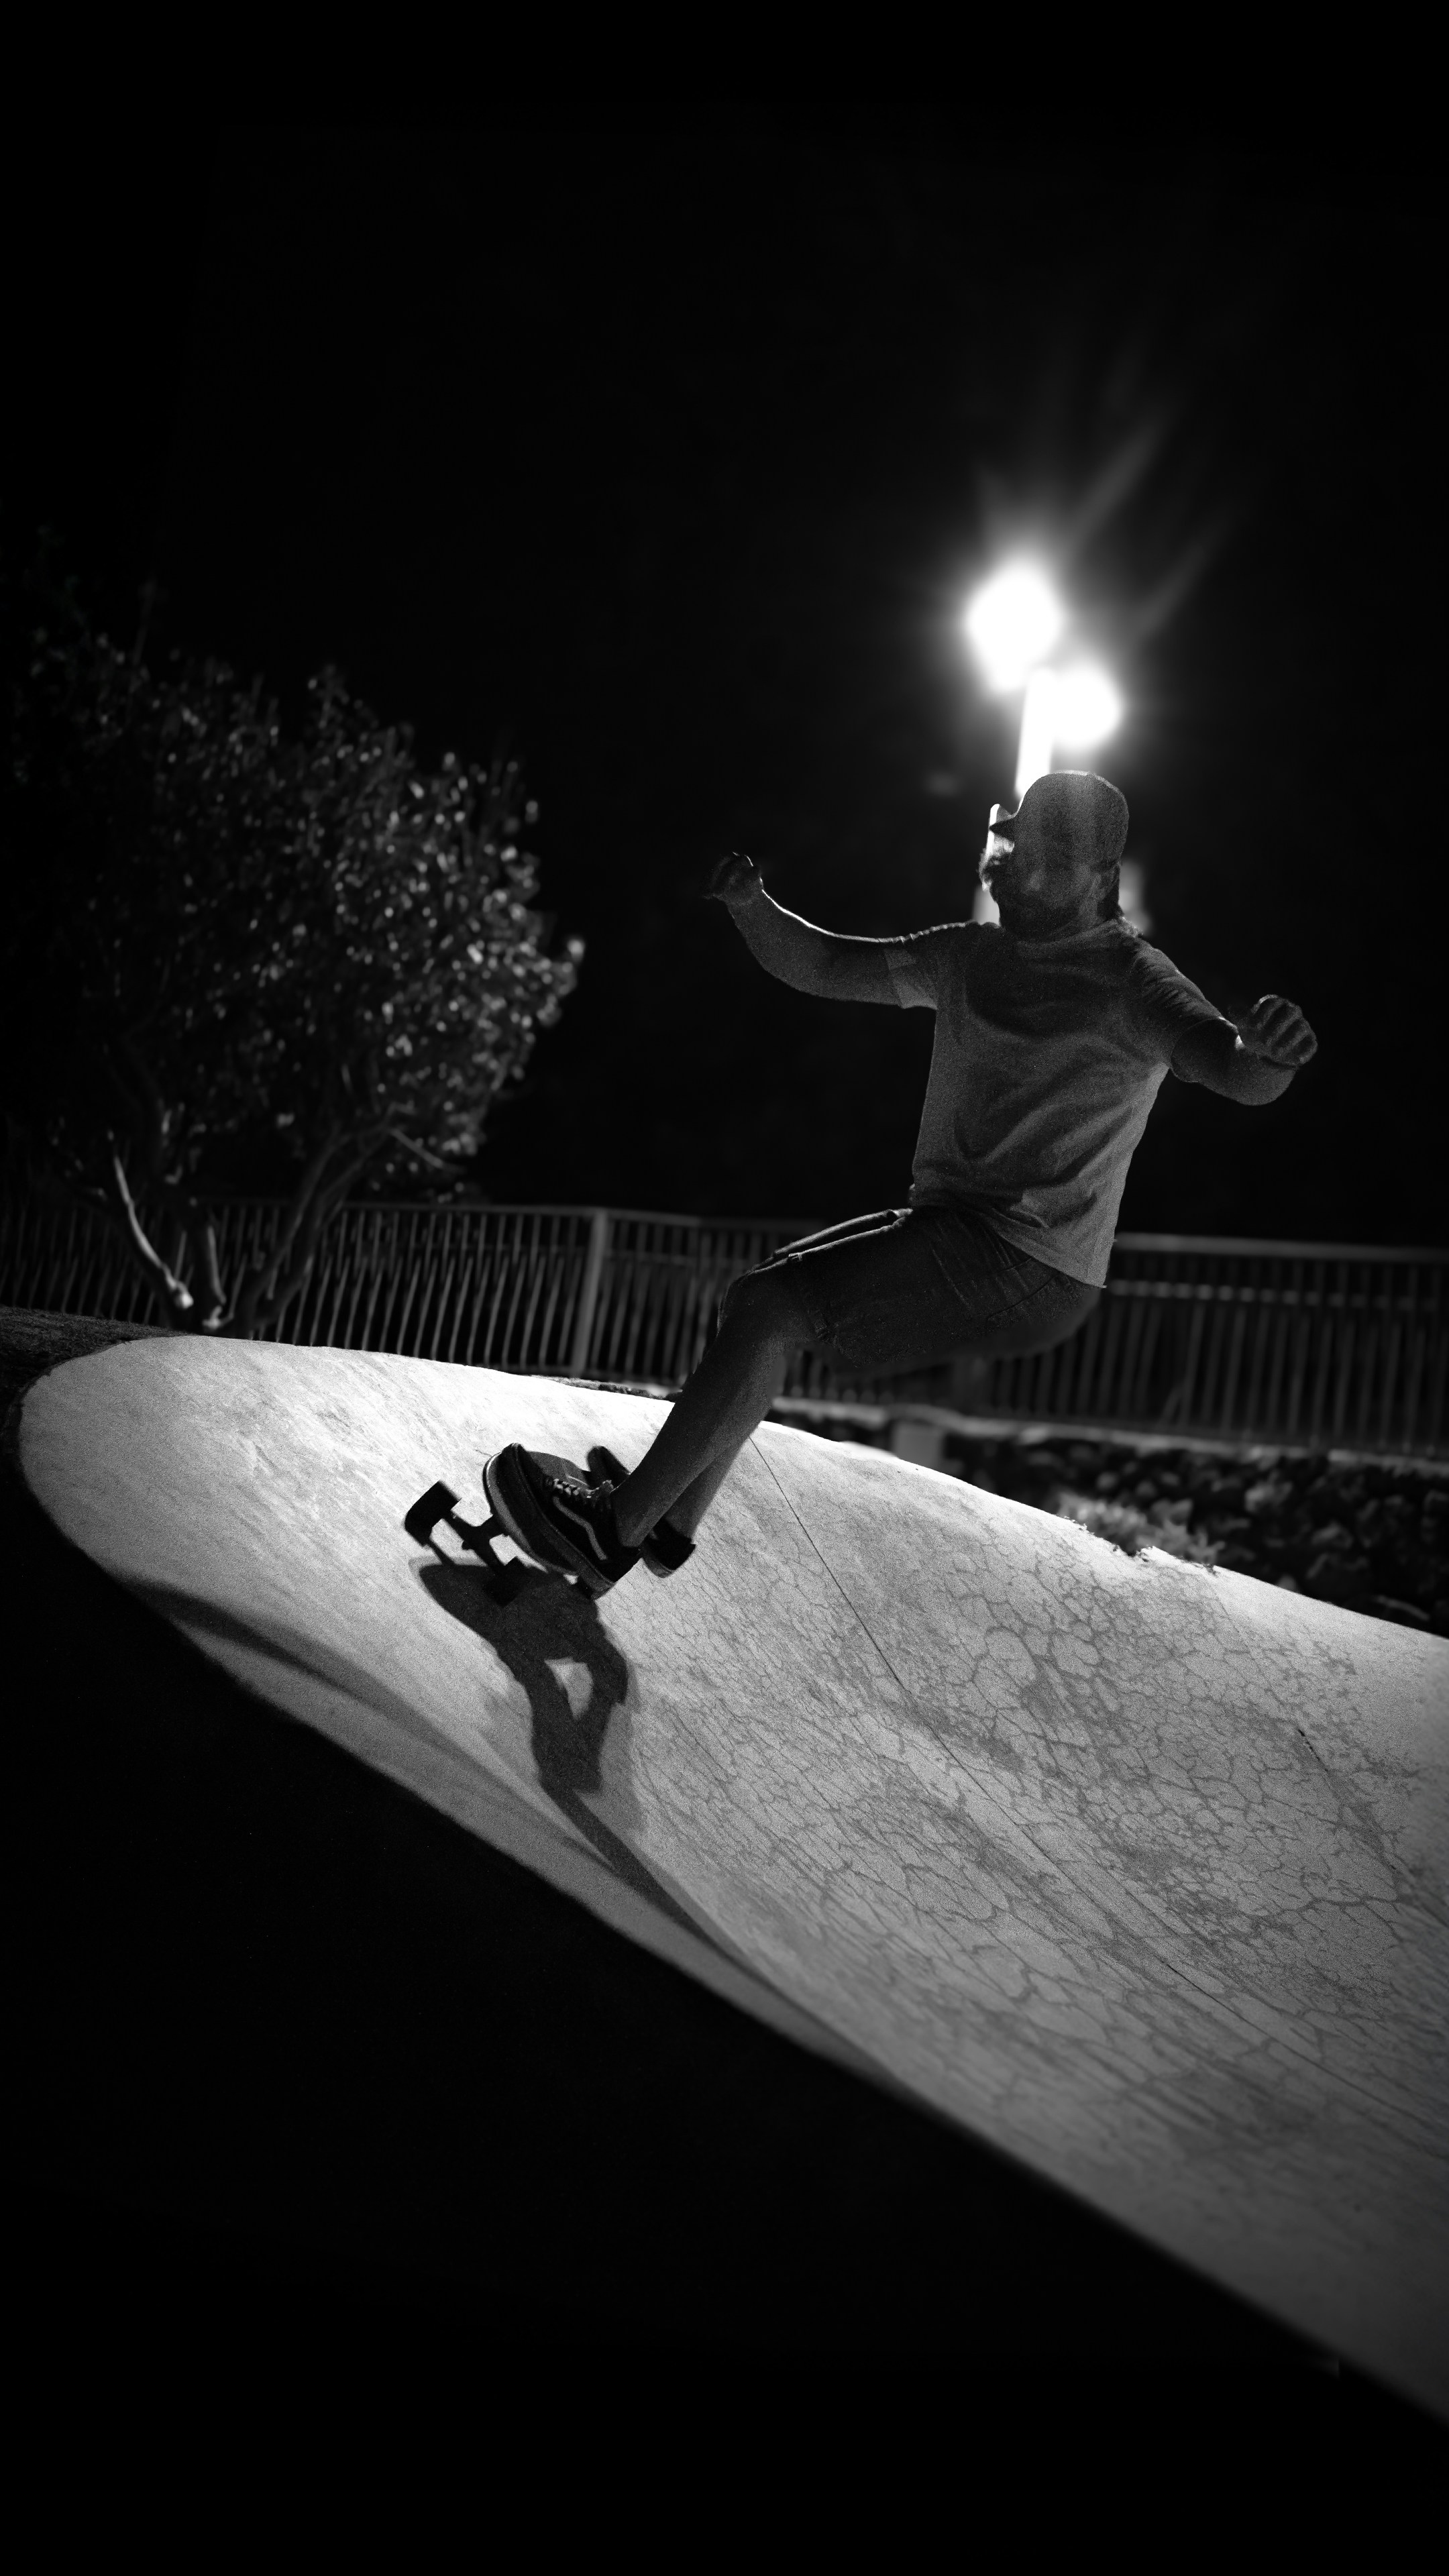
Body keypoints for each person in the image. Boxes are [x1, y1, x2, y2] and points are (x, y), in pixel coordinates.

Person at [484, 768, 1317, 1593]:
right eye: (1017, 851)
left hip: (1031, 1261)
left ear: (1101, 882)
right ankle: (665, 1521)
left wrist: (1270, 1061)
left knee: (777, 1311)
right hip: (960, 1227)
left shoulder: (1134, 980)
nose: (1020, 875)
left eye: (1046, 865)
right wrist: (752, 908)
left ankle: (609, 1532)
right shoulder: (968, 957)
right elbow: (824, 963)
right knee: (756, 1302)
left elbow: (1228, 1068)